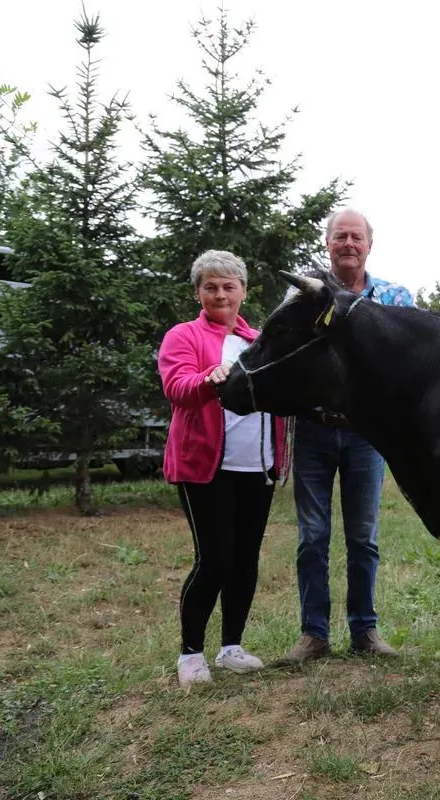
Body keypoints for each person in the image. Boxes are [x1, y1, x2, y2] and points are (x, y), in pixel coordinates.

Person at [281, 208, 415, 663]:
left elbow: (406, 362)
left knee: (363, 537)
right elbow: (288, 352)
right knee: (311, 536)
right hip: (314, 431)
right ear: (328, 243)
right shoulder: (301, 294)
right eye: (340, 236)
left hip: (366, 434)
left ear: (369, 245)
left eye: (356, 237)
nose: (348, 244)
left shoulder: (395, 297)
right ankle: (313, 635)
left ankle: (365, 631)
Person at [158, 250, 286, 687]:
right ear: (198, 292)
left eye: (229, 286)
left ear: (243, 292)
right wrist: (210, 379)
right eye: (210, 286)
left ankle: (232, 646)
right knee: (214, 559)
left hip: (258, 467)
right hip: (205, 468)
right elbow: (177, 387)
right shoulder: (184, 335)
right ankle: (191, 653)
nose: (220, 294)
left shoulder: (259, 340)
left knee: (245, 560)